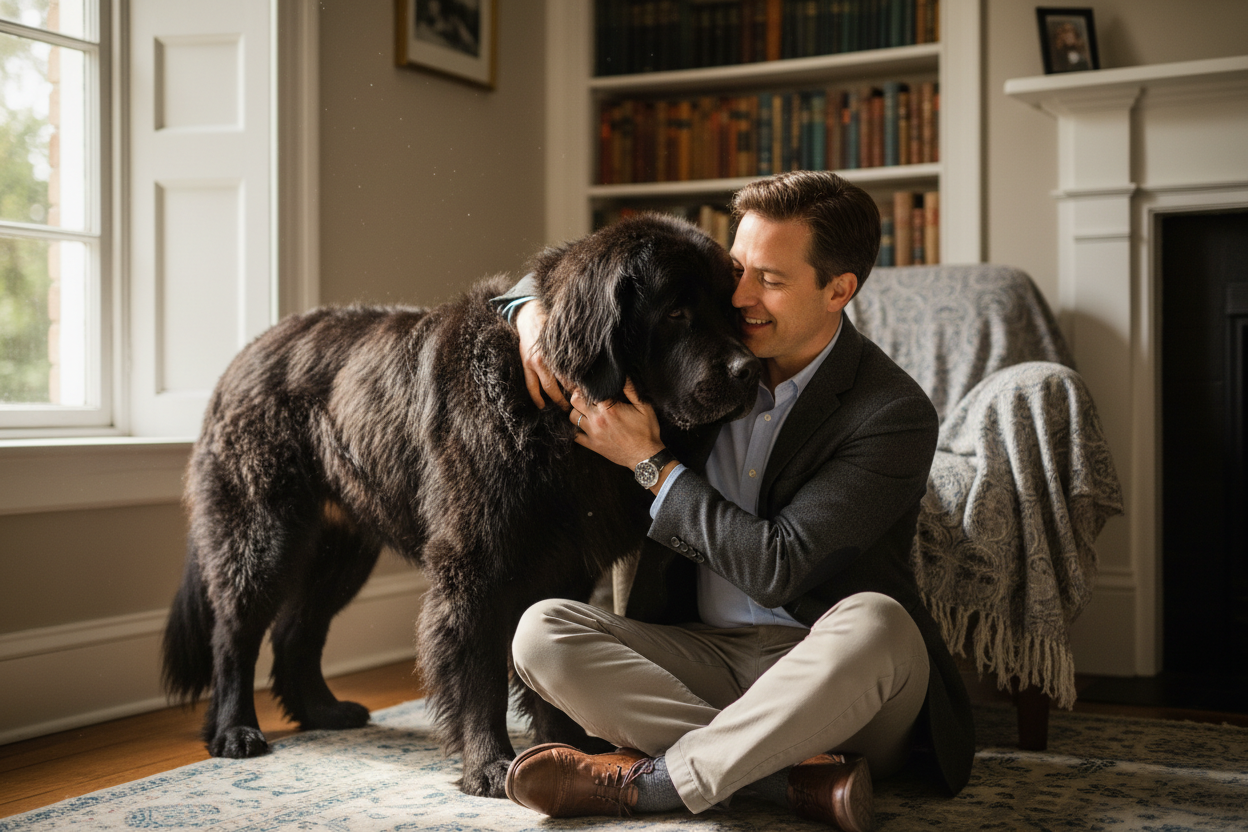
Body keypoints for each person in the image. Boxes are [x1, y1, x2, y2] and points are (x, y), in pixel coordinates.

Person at [497, 171, 973, 831]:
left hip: (833, 673)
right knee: (541, 632)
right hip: (702, 657)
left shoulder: (891, 412)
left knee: (879, 623)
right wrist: (528, 313)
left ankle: (659, 783)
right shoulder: (702, 364)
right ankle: (787, 779)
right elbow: (596, 277)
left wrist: (651, 465)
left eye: (770, 281)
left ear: (839, 290)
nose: (742, 298)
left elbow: (779, 568)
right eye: (738, 271)